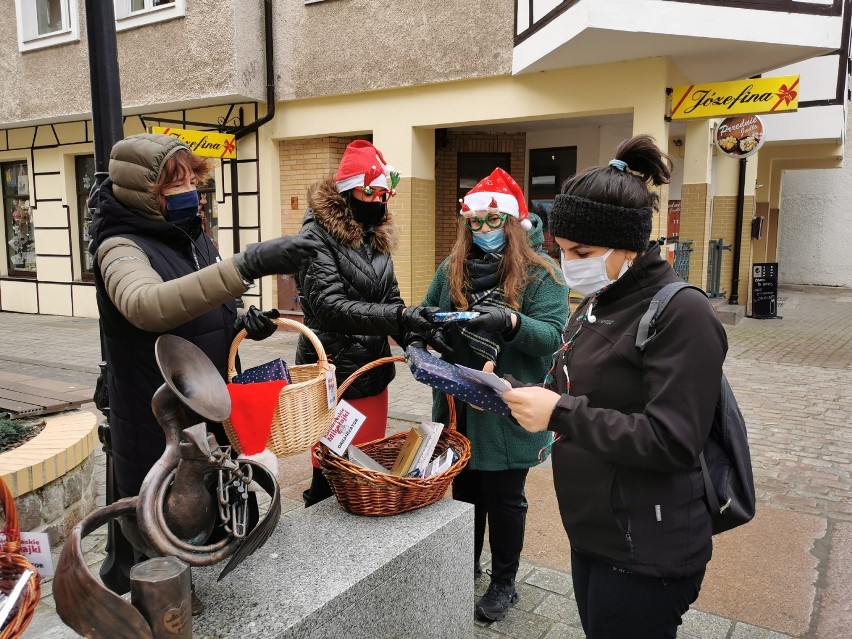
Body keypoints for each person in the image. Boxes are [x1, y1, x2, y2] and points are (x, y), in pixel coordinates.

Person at [502, 135, 727, 639]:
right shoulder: (602, 299)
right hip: (597, 532)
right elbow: (580, 391)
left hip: (647, 547)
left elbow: (672, 439)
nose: (568, 263)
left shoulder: (683, 313)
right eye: (561, 250)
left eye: (581, 251)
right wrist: (508, 388)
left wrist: (558, 415)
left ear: (629, 244)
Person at [89, 132, 319, 502]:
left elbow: (197, 303)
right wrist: (248, 264)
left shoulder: (191, 234)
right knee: (177, 537)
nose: (190, 191)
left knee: (224, 523)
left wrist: (239, 322)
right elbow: (146, 304)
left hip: (212, 416)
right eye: (176, 183)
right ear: (144, 193)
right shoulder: (119, 246)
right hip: (162, 430)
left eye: (192, 181)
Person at [411, 167, 569, 622]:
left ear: (514, 224)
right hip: (459, 401)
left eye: (492, 221)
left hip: (507, 405)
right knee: (464, 493)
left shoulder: (543, 275)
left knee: (503, 497)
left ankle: (504, 582)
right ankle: (466, 568)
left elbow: (554, 337)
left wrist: (513, 323)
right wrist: (426, 336)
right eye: (474, 222)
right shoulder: (452, 266)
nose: (481, 230)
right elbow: (431, 311)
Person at [296, 140, 440, 506]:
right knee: (331, 466)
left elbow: (390, 298)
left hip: (372, 369)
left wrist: (415, 339)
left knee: (366, 459)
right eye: (368, 191)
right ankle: (321, 517)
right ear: (345, 192)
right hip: (334, 371)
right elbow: (328, 306)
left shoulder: (374, 235)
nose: (376, 200)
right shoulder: (315, 235)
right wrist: (398, 316)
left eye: (383, 193)